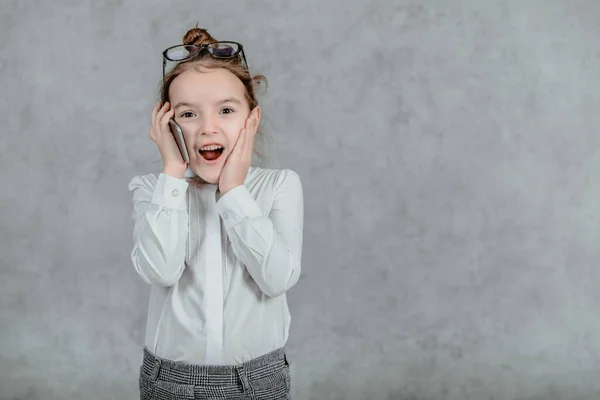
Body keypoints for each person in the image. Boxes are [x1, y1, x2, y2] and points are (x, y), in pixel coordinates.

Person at [128, 26, 304, 400]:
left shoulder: (278, 186)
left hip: (257, 381)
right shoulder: (154, 190)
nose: (208, 127)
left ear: (251, 119)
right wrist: (172, 172)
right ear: (168, 124)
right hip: (169, 382)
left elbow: (277, 278)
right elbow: (159, 270)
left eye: (226, 110)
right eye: (188, 114)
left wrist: (234, 191)